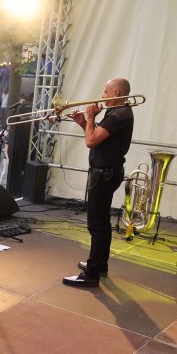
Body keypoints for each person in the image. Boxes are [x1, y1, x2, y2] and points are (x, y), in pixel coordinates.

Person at [63, 78, 135, 288]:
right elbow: (97, 136)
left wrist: (91, 116)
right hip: (107, 172)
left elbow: (91, 141)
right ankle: (100, 265)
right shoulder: (118, 112)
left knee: (96, 224)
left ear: (116, 93)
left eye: (105, 92)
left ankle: (92, 274)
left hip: (104, 174)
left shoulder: (119, 114)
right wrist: (83, 122)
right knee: (102, 222)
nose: (102, 96)